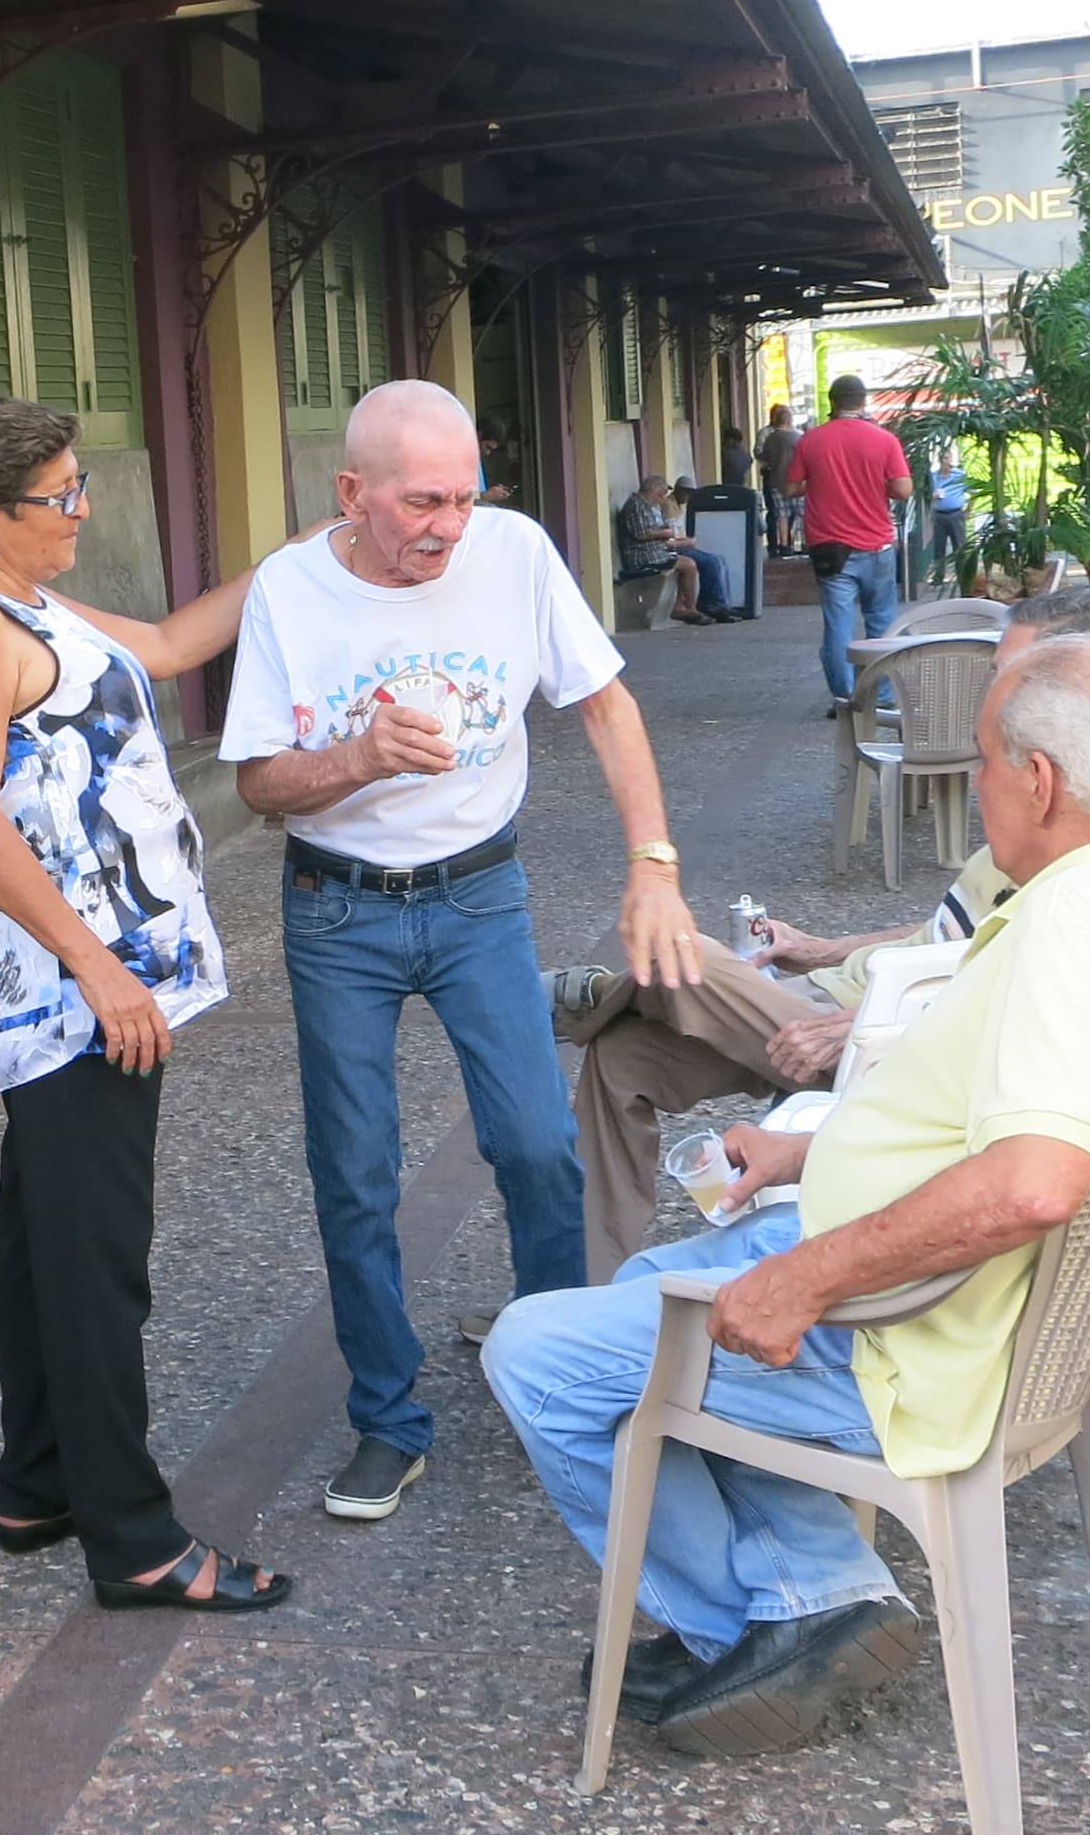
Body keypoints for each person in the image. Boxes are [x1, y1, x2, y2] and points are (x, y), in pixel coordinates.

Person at [482, 631, 1090, 1755]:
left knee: (538, 1353)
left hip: (916, 1342)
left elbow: (1034, 1183)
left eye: (986, 761)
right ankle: (808, 1586)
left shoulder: (1073, 926)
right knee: (654, 1276)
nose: (977, 783)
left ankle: (781, 1610)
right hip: (997, 1315)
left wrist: (804, 1276)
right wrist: (809, 1163)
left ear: (1037, 781)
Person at [221, 378, 700, 1524]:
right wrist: (357, 756)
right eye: (422, 500)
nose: (448, 524)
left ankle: (562, 1382)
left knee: (536, 1145)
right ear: (353, 492)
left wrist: (653, 861)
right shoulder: (290, 591)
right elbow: (253, 784)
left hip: (481, 895)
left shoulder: (515, 554)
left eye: (465, 496)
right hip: (337, 913)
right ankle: (388, 1422)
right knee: (354, 1173)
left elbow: (607, 706)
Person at [0, 392, 295, 1615]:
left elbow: (171, 648)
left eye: (80, 487)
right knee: (95, 1263)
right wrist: (98, 965)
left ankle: (39, 1484)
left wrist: (305, 562)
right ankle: (134, 1540)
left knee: (41, 1249)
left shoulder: (31, 602)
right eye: (59, 496)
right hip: (69, 995)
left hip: (92, 978)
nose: (82, 510)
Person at [538, 586, 1090, 1290]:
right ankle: (581, 1290)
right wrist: (826, 946)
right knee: (620, 1059)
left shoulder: (1085, 846)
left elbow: (1012, 997)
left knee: (687, 953)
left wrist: (858, 1022)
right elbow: (949, 935)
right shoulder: (1033, 802)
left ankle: (585, 998)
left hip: (878, 1039)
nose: (992, 686)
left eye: (1009, 670)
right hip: (843, 996)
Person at [789, 377, 913, 711]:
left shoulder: (811, 441)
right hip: (876, 545)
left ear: (832, 402)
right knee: (881, 623)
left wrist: (820, 484)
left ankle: (845, 698)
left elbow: (790, 487)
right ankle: (882, 696)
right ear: (863, 401)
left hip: (830, 549)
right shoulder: (885, 440)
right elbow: (902, 489)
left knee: (838, 625)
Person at [616, 470, 743, 624]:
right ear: (651, 491)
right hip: (643, 556)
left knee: (704, 562)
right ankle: (690, 608)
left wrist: (664, 532)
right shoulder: (637, 506)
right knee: (691, 564)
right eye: (660, 494)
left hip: (655, 551)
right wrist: (666, 532)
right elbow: (641, 534)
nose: (662, 498)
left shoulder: (647, 506)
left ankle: (692, 606)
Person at [758, 403, 805, 554]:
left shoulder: (770, 438)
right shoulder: (798, 437)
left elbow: (764, 457)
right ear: (789, 420)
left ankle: (784, 545)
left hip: (776, 481)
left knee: (782, 515)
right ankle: (805, 543)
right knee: (802, 513)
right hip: (796, 481)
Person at [925, 450, 970, 591]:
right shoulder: (933, 477)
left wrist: (969, 510)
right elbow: (926, 498)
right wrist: (933, 496)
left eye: (948, 458)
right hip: (939, 515)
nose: (946, 462)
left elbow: (972, 492)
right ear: (939, 460)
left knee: (960, 546)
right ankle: (939, 576)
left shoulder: (959, 475)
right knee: (939, 547)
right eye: (943, 459)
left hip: (956, 514)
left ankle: (962, 575)